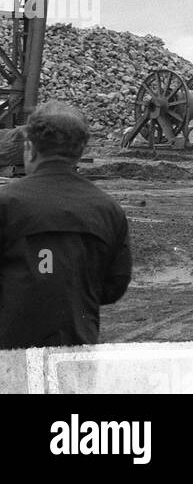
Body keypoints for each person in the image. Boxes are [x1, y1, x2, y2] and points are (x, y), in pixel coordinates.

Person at [0, 100, 132, 348]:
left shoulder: (6, 204)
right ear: (81, 151)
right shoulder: (108, 210)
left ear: (29, 148)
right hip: (76, 348)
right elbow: (114, 286)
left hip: (9, 352)